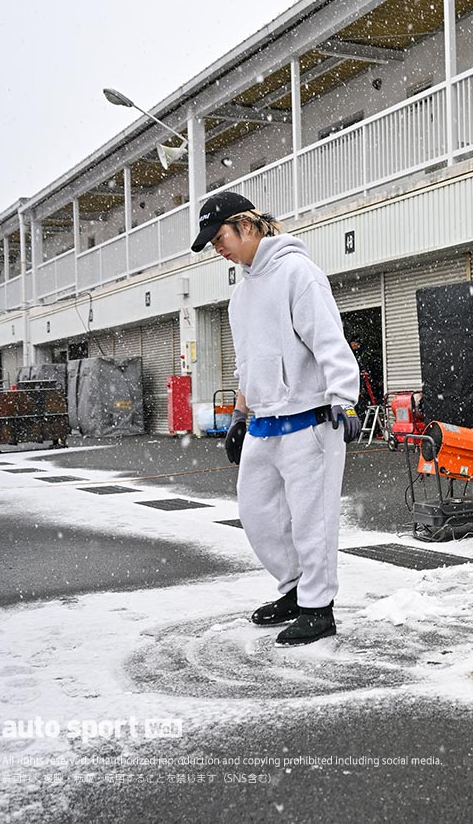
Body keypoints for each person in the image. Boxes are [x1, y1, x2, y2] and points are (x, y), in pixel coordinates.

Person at [192, 191, 361, 646]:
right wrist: (239, 416)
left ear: (246, 226)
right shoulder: (241, 293)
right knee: (258, 513)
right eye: (211, 243)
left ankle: (318, 607)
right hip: (264, 422)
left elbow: (329, 340)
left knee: (312, 519)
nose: (217, 248)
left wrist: (345, 399)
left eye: (219, 237)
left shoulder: (297, 273)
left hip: (310, 419)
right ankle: (293, 590)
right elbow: (247, 363)